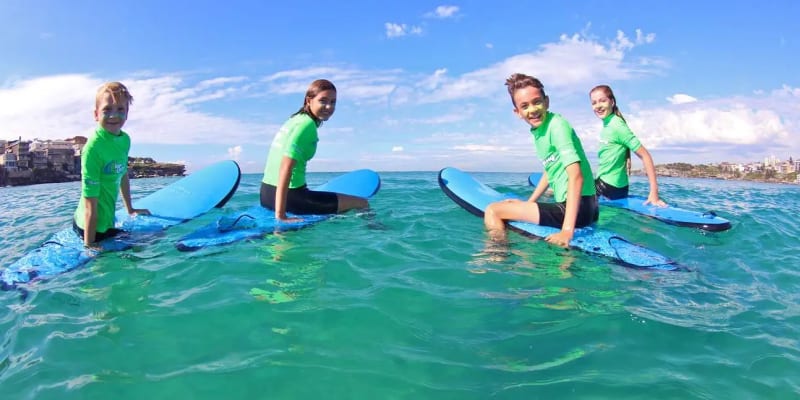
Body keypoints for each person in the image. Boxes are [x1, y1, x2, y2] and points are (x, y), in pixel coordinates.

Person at [484, 73, 598, 247]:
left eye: (537, 102)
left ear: (547, 102)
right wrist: (529, 202)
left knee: (493, 210)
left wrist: (567, 231)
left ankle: (497, 255)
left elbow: (576, 176)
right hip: (588, 208)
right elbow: (550, 170)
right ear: (517, 112)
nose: (532, 110)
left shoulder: (557, 126)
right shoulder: (541, 131)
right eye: (525, 106)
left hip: (578, 211)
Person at [260, 79, 369, 221]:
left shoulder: (295, 120)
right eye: (323, 101)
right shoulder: (307, 126)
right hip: (291, 198)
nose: (329, 107)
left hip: (266, 194)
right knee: (362, 203)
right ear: (309, 100)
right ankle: (377, 230)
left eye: (333, 102)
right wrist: (281, 216)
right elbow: (285, 167)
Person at [74, 82, 150, 247]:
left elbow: (122, 173)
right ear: (96, 114)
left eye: (120, 109)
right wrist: (89, 246)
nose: (114, 115)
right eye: (107, 109)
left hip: (107, 221)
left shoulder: (124, 140)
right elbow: (90, 201)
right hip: (91, 228)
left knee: (152, 238)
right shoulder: (93, 149)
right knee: (146, 246)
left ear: (127, 113)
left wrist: (130, 209)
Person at [589, 85, 666, 206]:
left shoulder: (617, 125)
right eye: (594, 103)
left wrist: (654, 193)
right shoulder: (608, 124)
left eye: (602, 101)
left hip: (608, 188)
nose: (598, 106)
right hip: (613, 187)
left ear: (612, 102)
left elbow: (645, 155)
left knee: (567, 195)